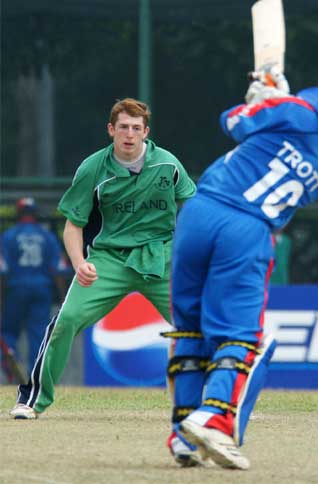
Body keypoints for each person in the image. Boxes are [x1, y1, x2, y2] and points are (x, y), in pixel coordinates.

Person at [164, 70, 318, 469]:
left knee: (190, 326)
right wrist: (274, 101)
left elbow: (232, 121)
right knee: (239, 333)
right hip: (247, 228)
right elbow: (290, 134)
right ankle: (212, 418)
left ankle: (183, 433)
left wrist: (260, 99)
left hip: (199, 211)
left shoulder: (294, 110)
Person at [10, 98, 196, 419]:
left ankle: (201, 404)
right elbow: (73, 225)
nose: (129, 134)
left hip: (161, 257)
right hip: (108, 260)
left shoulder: (168, 165)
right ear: (111, 130)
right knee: (64, 322)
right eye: (123, 127)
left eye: (136, 128)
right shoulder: (93, 168)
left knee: (197, 326)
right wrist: (80, 262)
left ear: (145, 132)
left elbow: (194, 211)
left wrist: (189, 256)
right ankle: (32, 400)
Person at [0, 197, 67, 379]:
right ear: (35, 214)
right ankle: (35, 376)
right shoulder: (47, 237)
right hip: (41, 289)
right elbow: (59, 270)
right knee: (38, 334)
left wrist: (2, 298)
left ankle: (11, 357)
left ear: (18, 213)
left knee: (8, 330)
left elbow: (2, 271)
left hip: (15, 288)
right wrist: (63, 299)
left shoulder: (8, 236)